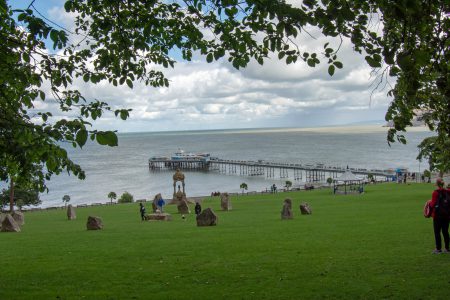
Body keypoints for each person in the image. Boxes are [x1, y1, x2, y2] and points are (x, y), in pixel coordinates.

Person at [429, 178, 450, 254]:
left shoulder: (435, 192)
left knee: (437, 232)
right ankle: (447, 249)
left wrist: (429, 204)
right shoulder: (448, 191)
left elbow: (433, 204)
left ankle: (438, 249)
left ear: (437, 184)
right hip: (447, 215)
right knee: (445, 232)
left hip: (437, 216)